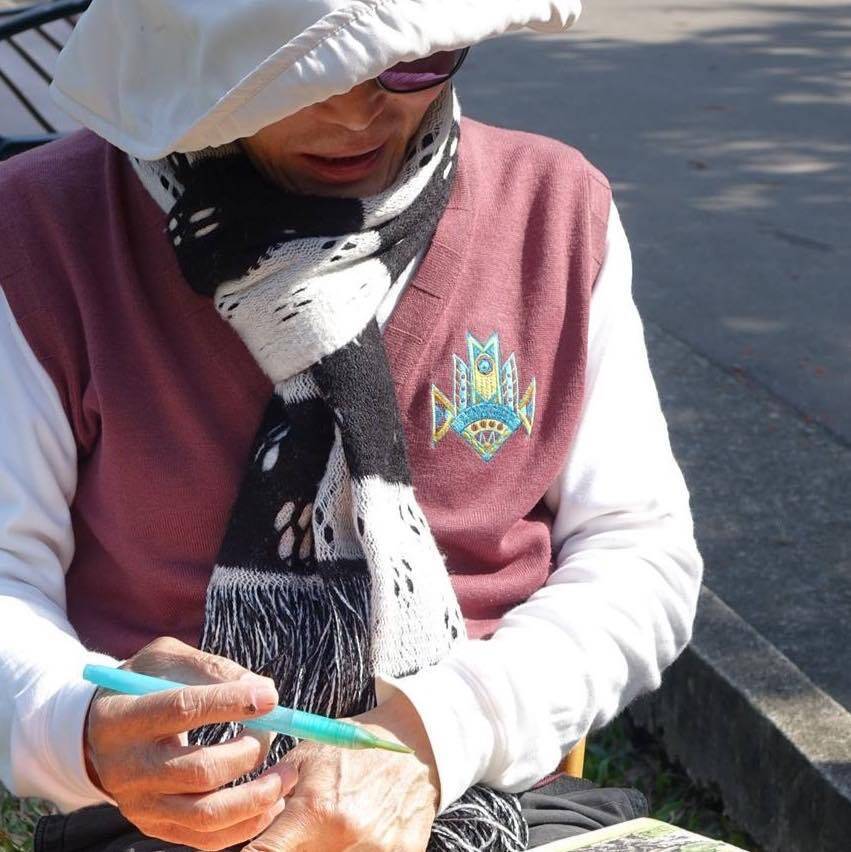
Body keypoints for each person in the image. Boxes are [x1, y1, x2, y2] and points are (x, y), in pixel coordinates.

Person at [0, 1, 703, 850]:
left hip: (483, 794)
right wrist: (80, 724)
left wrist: (437, 731)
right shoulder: (46, 230)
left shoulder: (551, 211)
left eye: (410, 61)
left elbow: (638, 553)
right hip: (169, 817)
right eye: (290, 74)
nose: (352, 111)